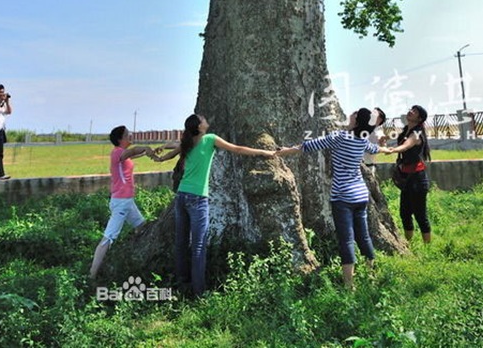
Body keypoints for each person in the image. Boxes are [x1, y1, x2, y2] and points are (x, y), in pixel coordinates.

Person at [155, 113, 275, 297]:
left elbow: (173, 148)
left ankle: (181, 283)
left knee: (181, 243)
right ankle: (198, 292)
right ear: (199, 127)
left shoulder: (187, 143)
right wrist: (264, 152)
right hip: (197, 198)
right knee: (198, 246)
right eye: (202, 119)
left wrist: (162, 153)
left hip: (181, 196)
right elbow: (238, 149)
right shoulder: (210, 139)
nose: (205, 120)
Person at [277, 107, 391, 289]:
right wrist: (388, 149)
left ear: (356, 120)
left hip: (343, 196)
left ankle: (349, 285)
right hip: (361, 194)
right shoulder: (362, 140)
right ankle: (371, 275)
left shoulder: (339, 137)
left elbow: (308, 146)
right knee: (363, 236)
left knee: (346, 239)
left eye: (354, 113)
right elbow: (375, 148)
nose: (350, 114)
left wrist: (284, 151)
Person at [89, 125, 160, 278]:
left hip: (127, 202)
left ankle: (130, 255)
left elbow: (135, 154)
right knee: (108, 237)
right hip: (121, 202)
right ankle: (92, 275)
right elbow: (133, 151)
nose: (131, 135)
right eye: (128, 134)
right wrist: (145, 147)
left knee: (142, 227)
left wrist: (149, 152)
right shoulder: (117, 154)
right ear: (120, 139)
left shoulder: (122, 155)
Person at [383, 104, 432, 244]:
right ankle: (408, 244)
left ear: (420, 118)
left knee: (420, 215)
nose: (410, 112)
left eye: (415, 111)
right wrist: (383, 138)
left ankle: (427, 247)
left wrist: (392, 150)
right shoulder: (406, 130)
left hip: (417, 179)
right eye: (411, 109)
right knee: (404, 213)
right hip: (406, 178)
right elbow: (397, 137)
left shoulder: (417, 134)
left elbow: (407, 145)